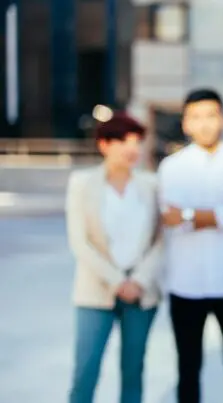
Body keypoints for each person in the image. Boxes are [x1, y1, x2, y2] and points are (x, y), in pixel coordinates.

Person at [158, 88, 223, 403]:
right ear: (186, 123)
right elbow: (170, 217)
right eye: (196, 117)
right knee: (188, 369)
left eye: (211, 115)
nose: (204, 124)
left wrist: (190, 213)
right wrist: (222, 216)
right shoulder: (171, 167)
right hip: (185, 284)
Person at [66, 112, 164, 403]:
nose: (131, 148)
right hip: (95, 292)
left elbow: (161, 240)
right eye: (122, 141)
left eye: (137, 141)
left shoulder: (151, 185)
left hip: (141, 294)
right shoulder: (82, 183)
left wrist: (138, 280)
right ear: (104, 144)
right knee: (86, 371)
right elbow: (80, 242)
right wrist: (117, 281)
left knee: (133, 372)